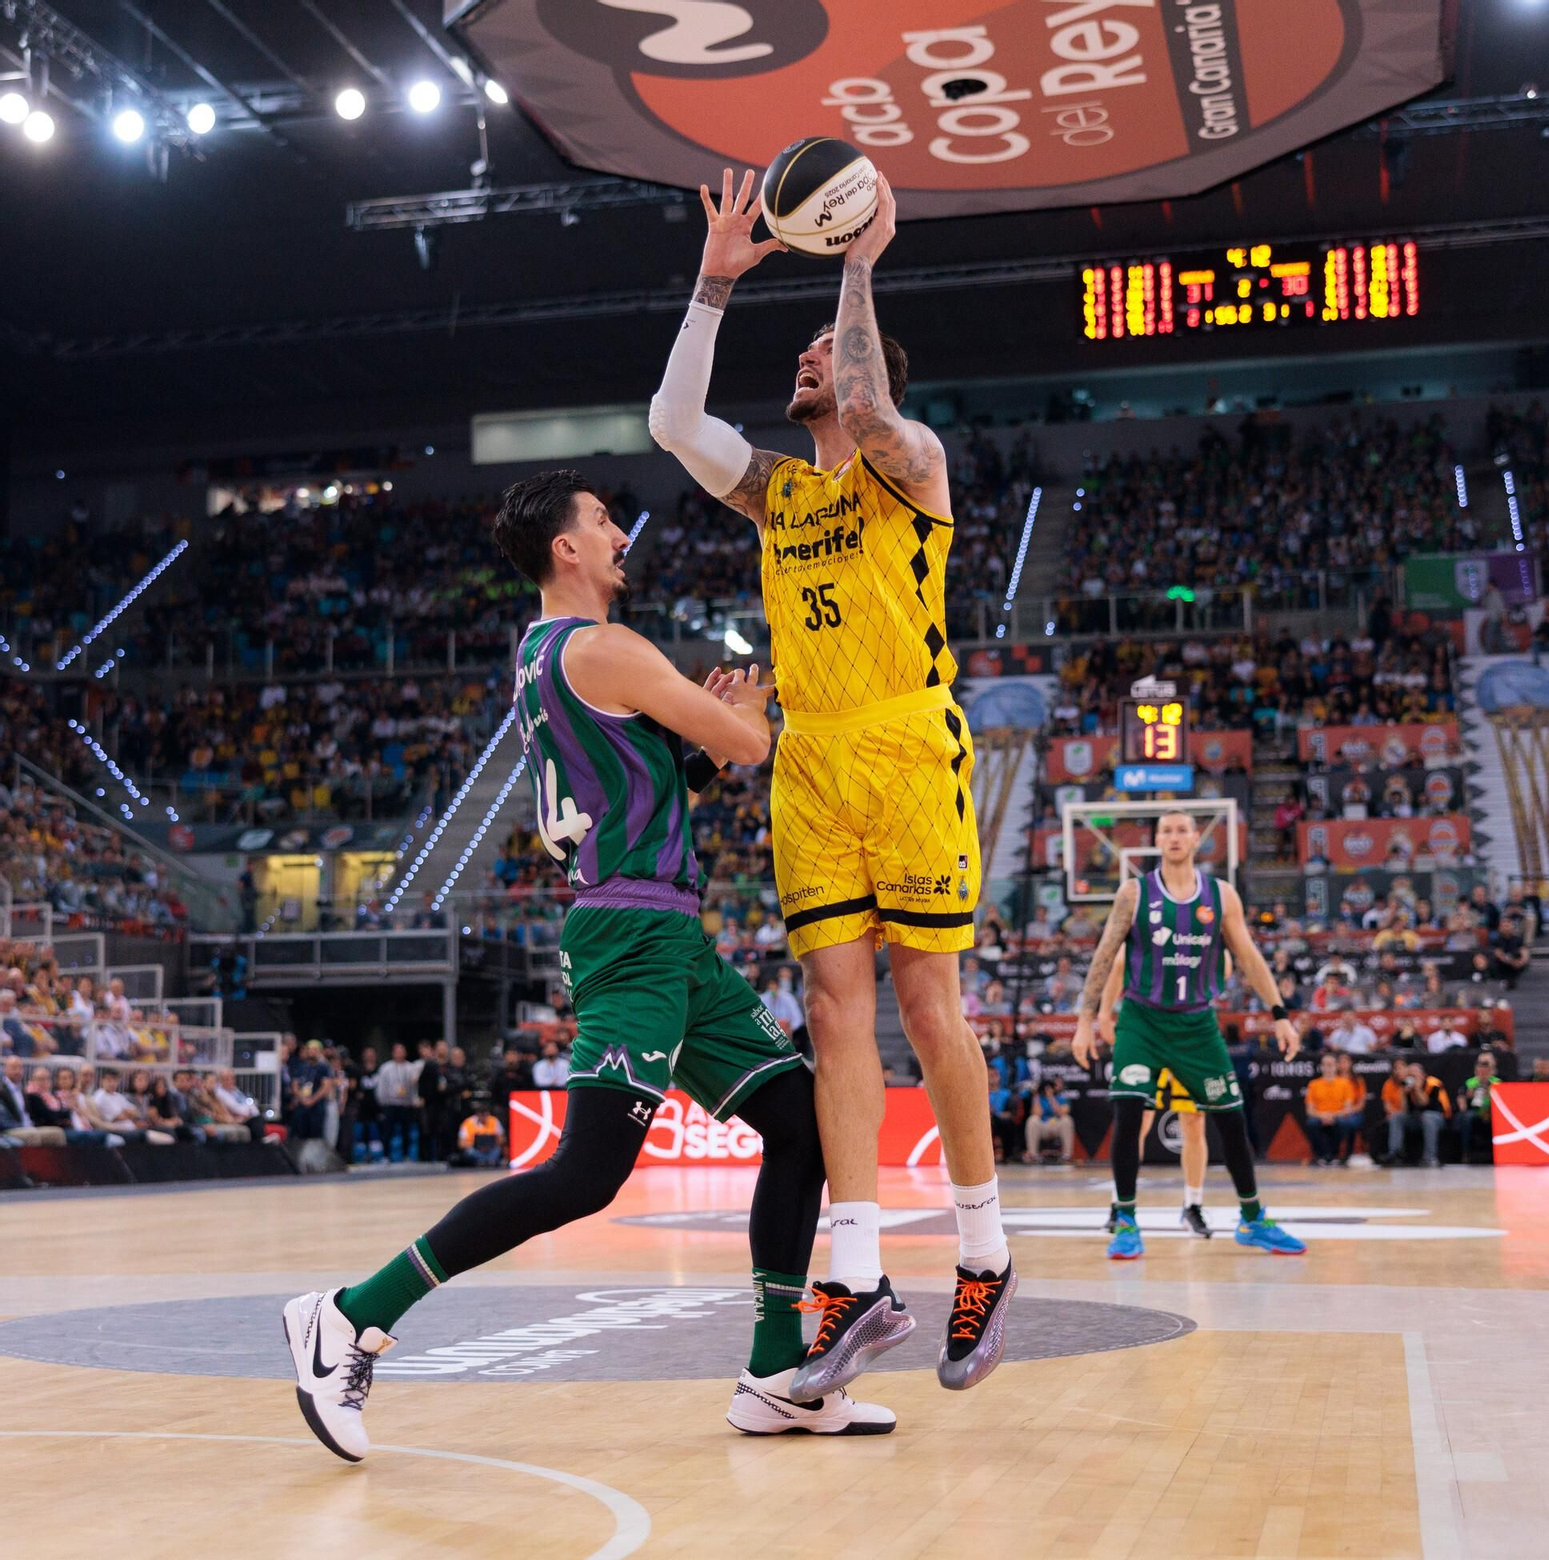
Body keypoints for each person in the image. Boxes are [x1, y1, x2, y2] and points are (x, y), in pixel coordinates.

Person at [285, 469, 893, 1465]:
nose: (621, 535)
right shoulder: (603, 648)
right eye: (604, 522)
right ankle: (352, 1314)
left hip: (666, 937)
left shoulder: (543, 658)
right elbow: (745, 745)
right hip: (633, 934)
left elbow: (652, 779)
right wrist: (745, 705)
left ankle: (777, 1376)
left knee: (800, 1124)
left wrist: (696, 731)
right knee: (585, 1175)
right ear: (565, 548)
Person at [649, 167, 1013, 1393]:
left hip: (907, 742)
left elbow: (863, 399)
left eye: (825, 347)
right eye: (804, 346)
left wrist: (856, 260)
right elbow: (672, 428)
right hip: (809, 755)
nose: (809, 360)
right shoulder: (776, 493)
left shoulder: (908, 462)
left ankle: (983, 1254)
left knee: (928, 1009)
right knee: (833, 1012)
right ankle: (853, 1281)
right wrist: (712, 287)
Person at [1072, 812, 1306, 1257]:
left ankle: (1252, 1218)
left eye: (1183, 830)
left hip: (1197, 1024)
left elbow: (1251, 958)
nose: (1175, 837)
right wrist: (1086, 1020)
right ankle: (1125, 1219)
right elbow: (1105, 958)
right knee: (1127, 1114)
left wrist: (1279, 1013)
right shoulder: (1134, 892)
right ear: (1155, 840)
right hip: (1142, 1020)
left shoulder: (1221, 896)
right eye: (1166, 830)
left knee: (1231, 1118)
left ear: (1197, 839)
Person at [1099, 951, 1211, 1235]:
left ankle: (1193, 1205)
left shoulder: (1198, 921)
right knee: (1136, 1121)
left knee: (1194, 1123)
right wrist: (1104, 1014)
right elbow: (1120, 962)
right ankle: (1120, 1204)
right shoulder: (1148, 916)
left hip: (1188, 1031)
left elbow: (1225, 965)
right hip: (1147, 1031)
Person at [1386, 1061, 1451, 1166]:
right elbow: (1404, 1110)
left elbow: (1426, 1104)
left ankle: (1430, 1157)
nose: (1411, 1078)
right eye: (1409, 1075)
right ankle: (1395, 1154)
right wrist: (1403, 1093)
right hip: (1418, 1118)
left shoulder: (1433, 1083)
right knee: (1397, 1117)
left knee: (1427, 1116)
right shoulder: (1408, 1087)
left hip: (1438, 1117)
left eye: (1414, 1075)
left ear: (1422, 1074)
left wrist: (1417, 1089)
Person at [1305, 1053, 1356, 1166]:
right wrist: (1322, 1115)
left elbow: (1348, 1109)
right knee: (1311, 1123)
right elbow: (1309, 1110)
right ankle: (1320, 1155)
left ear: (1336, 1066)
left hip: (1338, 1116)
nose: (1328, 1068)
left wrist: (1332, 1115)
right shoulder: (1314, 1084)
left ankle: (1335, 1154)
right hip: (1320, 1116)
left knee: (1344, 1123)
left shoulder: (1345, 1083)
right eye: (1325, 1065)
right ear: (1321, 1067)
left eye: (1330, 1065)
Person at [1456, 1053, 1500, 1165]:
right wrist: (1466, 1097)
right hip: (1474, 1112)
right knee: (1465, 1117)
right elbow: (1462, 1104)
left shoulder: (1497, 1082)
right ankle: (1465, 1152)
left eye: (1485, 1072)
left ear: (1491, 1071)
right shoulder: (1469, 1083)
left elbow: (1504, 1102)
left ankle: (1499, 1153)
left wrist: (1490, 1095)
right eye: (1480, 1071)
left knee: (1497, 1120)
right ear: (1476, 1072)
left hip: (1493, 1112)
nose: (1482, 1074)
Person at [1024, 1079, 1074, 1165]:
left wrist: (1051, 1097)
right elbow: (1037, 1113)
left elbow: (1061, 1113)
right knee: (1032, 1120)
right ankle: (1033, 1155)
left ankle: (1067, 1156)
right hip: (1043, 1126)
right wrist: (1036, 1095)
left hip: (1057, 1126)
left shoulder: (1062, 1098)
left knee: (1067, 1120)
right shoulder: (1038, 1098)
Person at [1334, 1051, 1369, 1162]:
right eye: (1340, 1062)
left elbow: (1361, 1104)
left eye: (1345, 1062)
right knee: (1338, 1121)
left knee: (1349, 1123)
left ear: (1351, 1064)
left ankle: (1347, 1152)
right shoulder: (1333, 1080)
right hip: (1336, 1112)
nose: (1343, 1065)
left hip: (1354, 1113)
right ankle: (1334, 1152)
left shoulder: (1358, 1080)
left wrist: (1347, 1112)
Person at [454, 1100, 506, 1168]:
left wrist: (493, 1143)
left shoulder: (494, 1121)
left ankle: (486, 1161)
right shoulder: (468, 1123)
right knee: (470, 1152)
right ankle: (484, 1161)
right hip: (475, 1151)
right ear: (477, 1114)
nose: (484, 1117)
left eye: (486, 1114)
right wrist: (476, 1145)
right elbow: (460, 1144)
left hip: (490, 1150)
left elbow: (503, 1140)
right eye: (481, 1115)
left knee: (497, 1150)